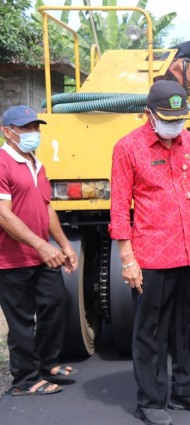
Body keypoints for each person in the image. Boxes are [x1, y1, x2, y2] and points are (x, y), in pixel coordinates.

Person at [109, 80, 190, 425]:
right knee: (151, 330)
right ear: (148, 114)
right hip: (151, 255)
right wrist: (127, 259)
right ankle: (151, 401)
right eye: (167, 118)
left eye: (179, 118)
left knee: (186, 325)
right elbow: (118, 208)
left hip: (187, 252)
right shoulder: (128, 147)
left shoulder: (188, 142)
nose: (175, 126)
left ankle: (186, 390)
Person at [0, 105, 79, 396]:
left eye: (36, 126)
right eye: (26, 128)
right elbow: (4, 215)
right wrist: (41, 245)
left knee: (56, 303)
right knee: (21, 320)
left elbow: (46, 207)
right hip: (10, 258)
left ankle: (46, 363)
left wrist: (64, 244)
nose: (34, 133)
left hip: (41, 253)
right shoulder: (1, 163)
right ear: (7, 132)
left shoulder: (36, 163)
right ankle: (25, 380)